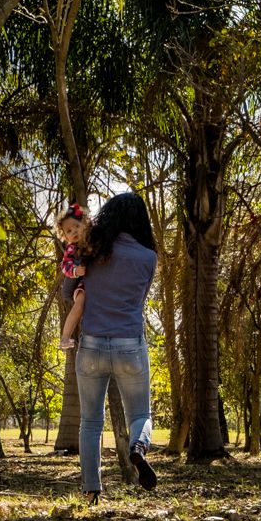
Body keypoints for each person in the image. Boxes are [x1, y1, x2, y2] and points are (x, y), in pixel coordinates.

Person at [69, 192, 158, 503]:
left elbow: (69, 289)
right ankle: (137, 447)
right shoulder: (148, 257)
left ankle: (91, 491)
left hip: (92, 343)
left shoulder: (91, 251)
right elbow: (139, 299)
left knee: (91, 422)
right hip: (130, 343)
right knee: (141, 413)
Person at [56, 203, 89, 350]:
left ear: (84, 225)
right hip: (82, 284)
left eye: (77, 226)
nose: (74, 231)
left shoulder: (93, 240)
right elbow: (65, 266)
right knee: (78, 306)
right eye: (69, 231)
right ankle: (65, 337)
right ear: (65, 236)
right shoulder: (71, 248)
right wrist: (75, 271)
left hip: (95, 281)